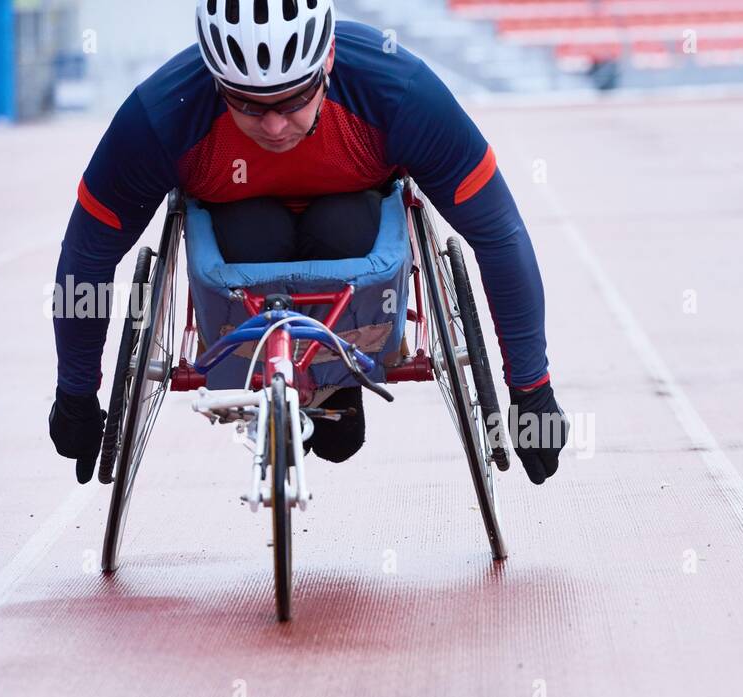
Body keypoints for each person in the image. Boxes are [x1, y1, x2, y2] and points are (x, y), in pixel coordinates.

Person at [49, 0, 567, 485]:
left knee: (343, 220)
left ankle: (339, 378)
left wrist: (530, 389)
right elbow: (87, 257)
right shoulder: (159, 117)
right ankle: (292, 372)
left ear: (329, 61)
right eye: (248, 105)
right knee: (256, 227)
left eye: (294, 99)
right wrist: (75, 392)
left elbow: (498, 234)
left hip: (352, 242)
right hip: (242, 249)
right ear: (214, 79)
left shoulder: (399, 92)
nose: (274, 125)